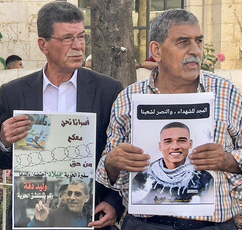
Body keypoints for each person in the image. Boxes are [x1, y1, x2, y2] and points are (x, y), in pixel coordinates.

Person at [96, 9, 241, 230]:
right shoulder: (129, 98)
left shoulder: (227, 93)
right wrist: (112, 162)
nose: (195, 51)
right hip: (145, 224)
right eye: (183, 42)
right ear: (156, 50)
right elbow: (110, 172)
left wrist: (228, 160)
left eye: (198, 41)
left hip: (213, 225)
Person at [0, 2, 124, 229]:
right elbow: (2, 161)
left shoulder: (108, 91)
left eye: (81, 37)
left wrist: (114, 203)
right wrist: (3, 141)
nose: (78, 46)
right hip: (32, 215)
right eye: (67, 39)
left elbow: (119, 155)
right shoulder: (14, 92)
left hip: (91, 216)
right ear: (43, 45)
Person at [132, 122, 214, 204]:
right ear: (160, 146)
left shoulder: (203, 178)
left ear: (190, 144)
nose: (175, 147)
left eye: (181, 141)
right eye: (168, 141)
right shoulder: (145, 176)